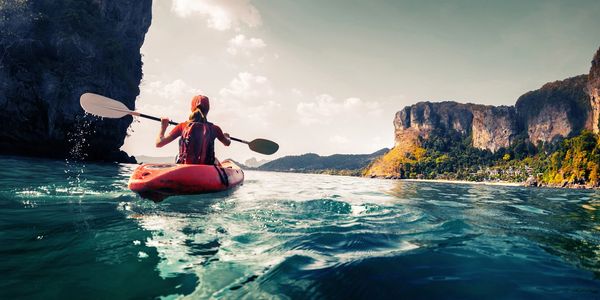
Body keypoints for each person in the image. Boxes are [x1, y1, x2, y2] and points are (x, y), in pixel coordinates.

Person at [156, 95, 231, 165]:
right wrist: (226, 137)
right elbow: (227, 143)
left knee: (177, 156)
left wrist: (163, 126)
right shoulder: (215, 129)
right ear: (208, 110)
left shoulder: (182, 126)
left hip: (185, 166)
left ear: (192, 108)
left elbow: (159, 143)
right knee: (215, 160)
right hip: (207, 166)